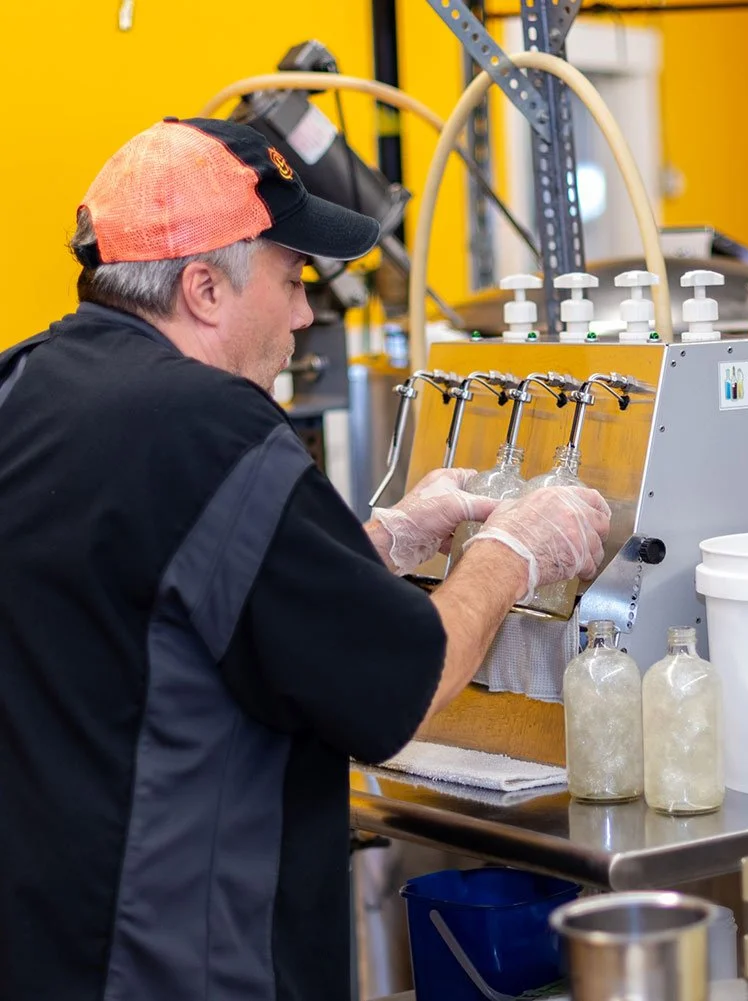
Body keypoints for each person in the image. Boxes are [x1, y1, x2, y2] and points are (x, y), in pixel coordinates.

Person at [0, 117, 611, 1000]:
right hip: (178, 964)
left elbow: (160, 605)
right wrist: (516, 549)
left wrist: (380, 543)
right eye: (291, 281)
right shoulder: (212, 430)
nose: (303, 314)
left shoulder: (27, 387)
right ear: (205, 288)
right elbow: (404, 683)